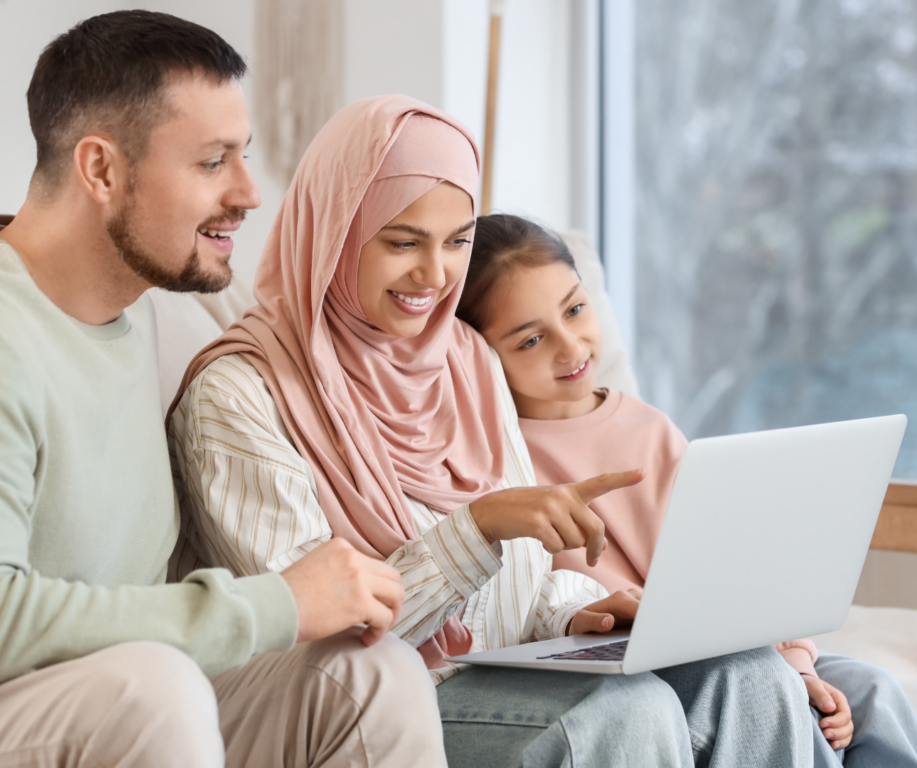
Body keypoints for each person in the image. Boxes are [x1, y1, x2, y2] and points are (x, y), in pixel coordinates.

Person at [168, 94, 815, 767]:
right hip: (390, 702)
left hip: (510, 666)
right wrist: (475, 530)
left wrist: (584, 612)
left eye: (455, 242)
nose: (434, 274)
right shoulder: (239, 394)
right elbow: (315, 632)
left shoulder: (464, 359)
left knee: (750, 677)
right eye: (401, 242)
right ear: (336, 228)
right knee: (631, 708)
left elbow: (526, 590)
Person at [0, 12, 449, 768]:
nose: (251, 193)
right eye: (214, 162)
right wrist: (277, 603)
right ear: (101, 170)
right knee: (153, 688)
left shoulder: (138, 309)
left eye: (244, 156)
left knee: (366, 675)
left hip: (119, 703)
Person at [455, 212, 917, 768]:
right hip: (633, 663)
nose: (570, 346)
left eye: (575, 309)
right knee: (776, 701)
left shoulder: (649, 429)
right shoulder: (495, 460)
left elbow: (731, 579)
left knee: (872, 691)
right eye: (531, 340)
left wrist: (799, 664)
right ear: (476, 355)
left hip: (721, 644)